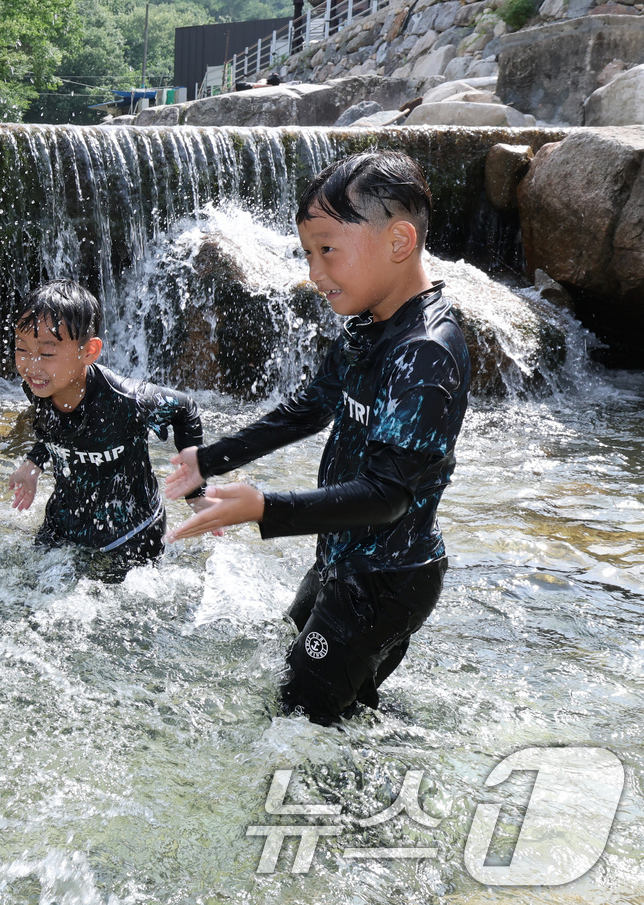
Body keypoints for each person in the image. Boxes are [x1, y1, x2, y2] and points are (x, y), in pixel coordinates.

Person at [164, 151, 470, 726]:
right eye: (308, 253)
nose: (313, 272)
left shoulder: (424, 351)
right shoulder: (369, 328)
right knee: (309, 682)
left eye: (327, 249)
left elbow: (388, 496)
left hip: (385, 578)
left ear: (398, 240)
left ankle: (344, 808)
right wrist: (209, 458)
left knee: (302, 717)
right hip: (344, 560)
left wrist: (265, 508)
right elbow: (309, 408)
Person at [7, 280, 205, 580]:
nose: (31, 365)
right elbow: (54, 428)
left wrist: (194, 491)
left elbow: (185, 408)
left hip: (133, 529)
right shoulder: (39, 384)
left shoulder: (127, 400)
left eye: (47, 353)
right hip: (64, 521)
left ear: (89, 351)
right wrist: (34, 462)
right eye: (22, 349)